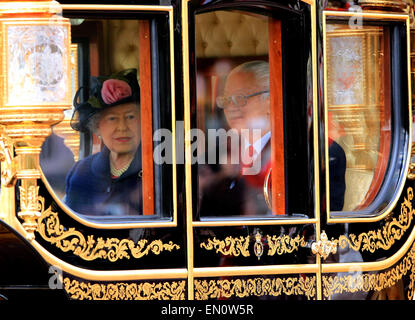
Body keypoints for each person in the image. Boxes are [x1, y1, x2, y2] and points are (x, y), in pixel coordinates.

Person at [64, 68, 142, 216]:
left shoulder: (157, 171)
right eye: (112, 118)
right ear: (97, 127)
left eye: (130, 117)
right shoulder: (81, 173)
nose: (122, 127)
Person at [198, 60, 272, 216]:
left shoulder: (291, 152)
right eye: (226, 101)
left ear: (269, 101)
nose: (231, 108)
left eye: (240, 98)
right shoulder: (216, 156)